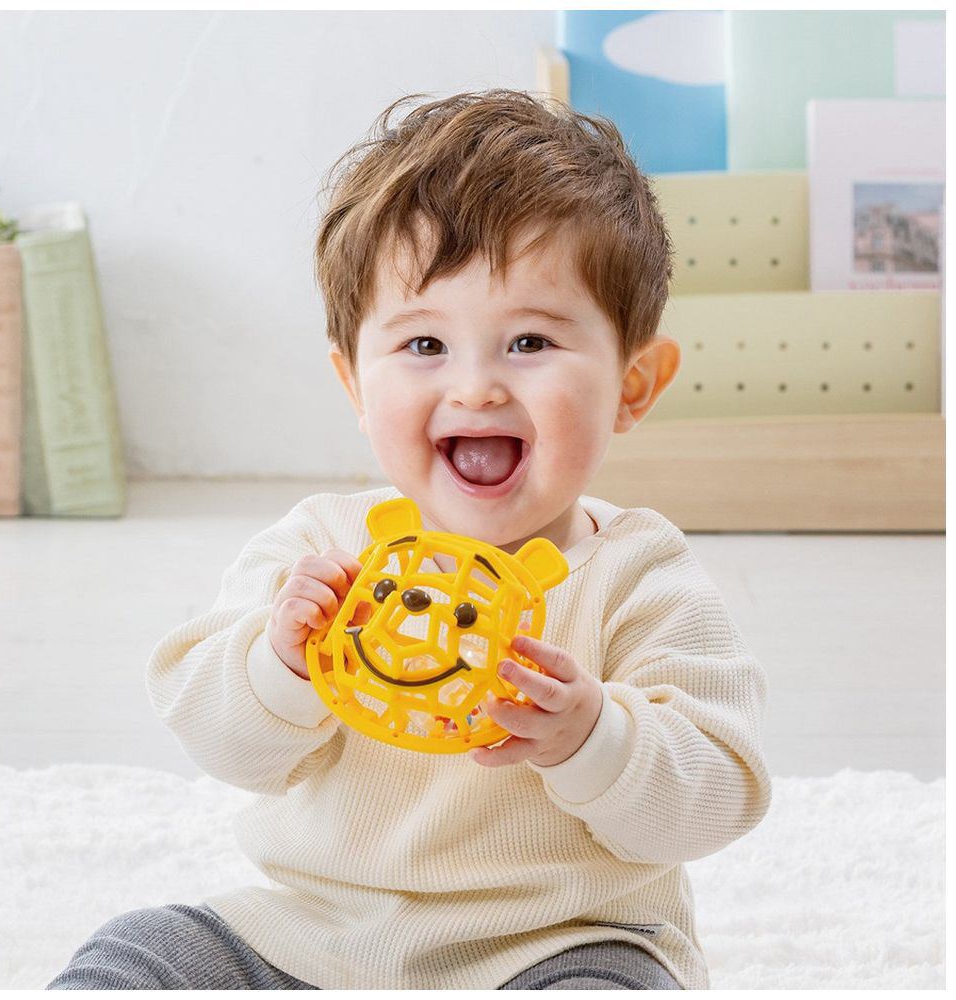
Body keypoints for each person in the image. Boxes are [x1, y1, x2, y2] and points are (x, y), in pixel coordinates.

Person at [48, 89, 770, 991]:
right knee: (137, 953)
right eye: (425, 345)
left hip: (557, 943)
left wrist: (593, 736)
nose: (475, 389)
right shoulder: (319, 548)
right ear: (355, 383)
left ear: (633, 384)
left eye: (530, 341)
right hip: (312, 935)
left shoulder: (640, 577)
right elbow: (221, 743)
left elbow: (715, 801)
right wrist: (283, 665)